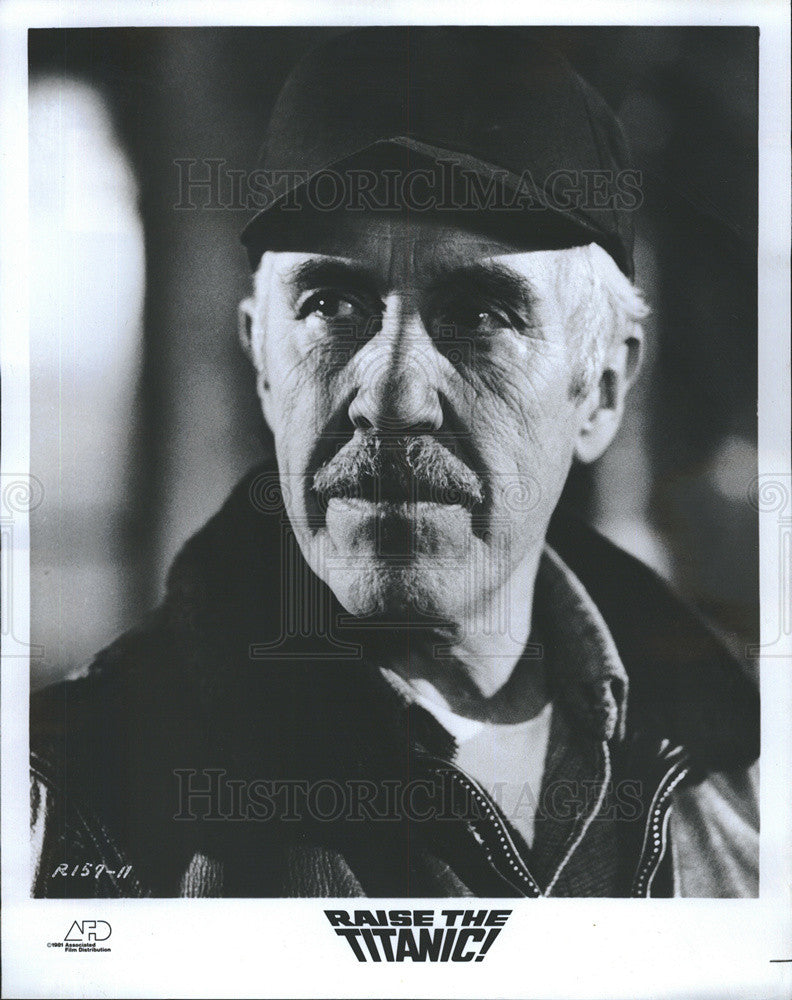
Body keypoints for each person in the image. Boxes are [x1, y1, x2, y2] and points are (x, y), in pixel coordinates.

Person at [31, 27, 758, 898]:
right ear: (263, 362)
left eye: (481, 313)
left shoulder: (746, 779)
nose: (393, 395)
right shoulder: (68, 804)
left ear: (601, 389)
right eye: (333, 304)